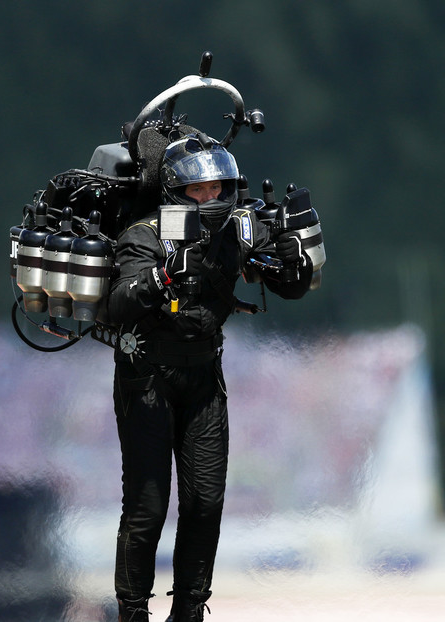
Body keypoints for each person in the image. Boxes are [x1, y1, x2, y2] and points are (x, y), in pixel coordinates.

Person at [107, 133, 321, 622]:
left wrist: (290, 260)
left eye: (218, 188)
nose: (210, 199)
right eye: (197, 191)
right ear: (174, 192)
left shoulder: (240, 230)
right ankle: (133, 611)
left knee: (205, 501)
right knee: (148, 505)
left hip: (204, 377)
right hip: (147, 377)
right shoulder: (144, 235)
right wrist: (163, 277)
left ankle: (190, 610)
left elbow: (290, 285)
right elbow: (119, 305)